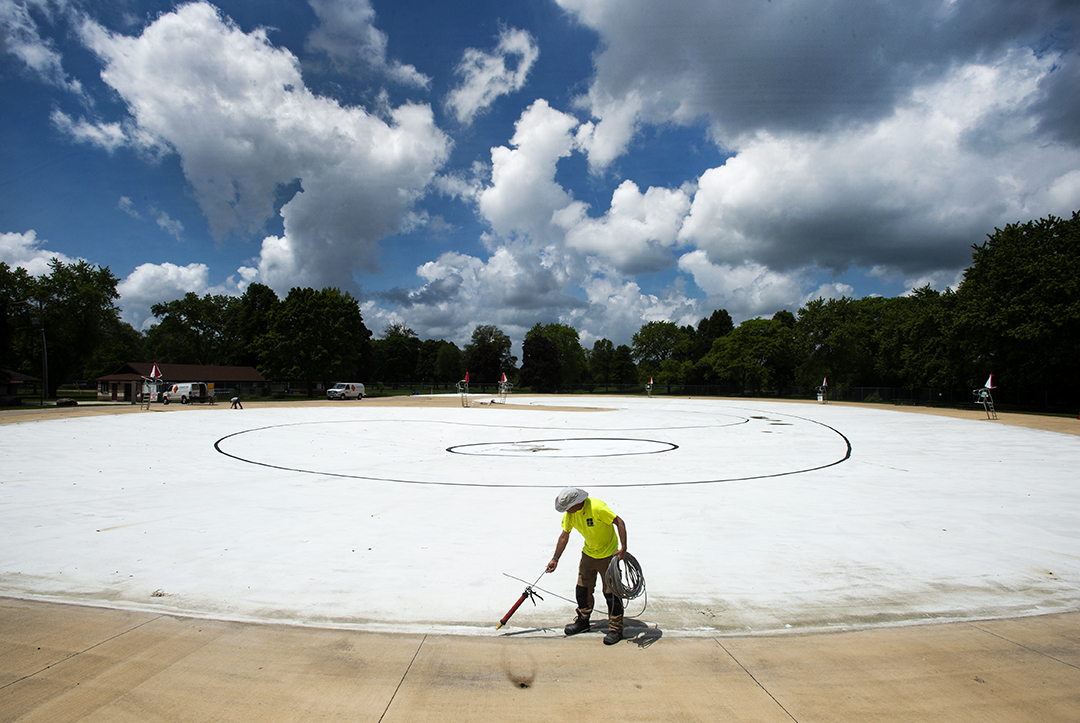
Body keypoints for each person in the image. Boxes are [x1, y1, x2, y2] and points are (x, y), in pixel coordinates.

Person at [546, 487, 627, 645]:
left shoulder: (597, 508)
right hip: (588, 554)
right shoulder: (571, 514)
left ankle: (616, 628)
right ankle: (583, 621)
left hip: (608, 556)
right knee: (582, 589)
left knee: (611, 593)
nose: (567, 511)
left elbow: (619, 522)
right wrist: (555, 558)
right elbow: (564, 536)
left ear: (578, 502)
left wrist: (623, 548)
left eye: (568, 507)